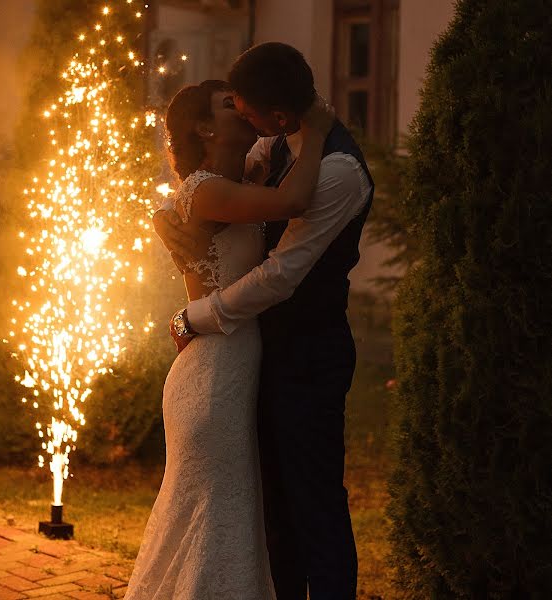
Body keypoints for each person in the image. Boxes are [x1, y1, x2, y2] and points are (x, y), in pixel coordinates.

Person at [155, 43, 374, 600]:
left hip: (304, 356)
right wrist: (167, 221)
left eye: (242, 105)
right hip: (235, 361)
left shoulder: (339, 171)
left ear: (276, 115)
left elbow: (280, 274)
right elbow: (205, 197)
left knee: (312, 504)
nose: (241, 113)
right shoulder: (270, 147)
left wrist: (195, 316)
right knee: (261, 507)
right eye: (231, 105)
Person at [124, 78, 334, 600]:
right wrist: (319, 127)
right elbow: (297, 198)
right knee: (219, 514)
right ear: (202, 127)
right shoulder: (206, 191)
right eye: (226, 105)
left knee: (216, 515)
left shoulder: (232, 181)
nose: (241, 109)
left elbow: (263, 152)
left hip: (226, 359)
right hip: (214, 374)